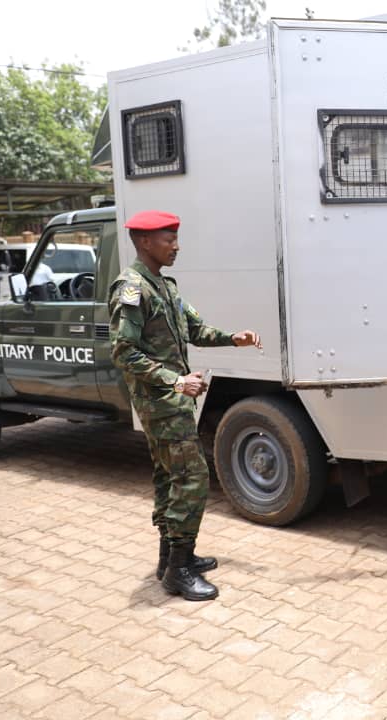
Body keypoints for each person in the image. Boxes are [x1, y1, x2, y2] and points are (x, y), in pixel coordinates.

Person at [109, 210, 261, 602]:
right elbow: (124, 352)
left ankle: (173, 558)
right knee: (192, 479)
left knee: (169, 477)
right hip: (160, 401)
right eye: (168, 238)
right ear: (144, 241)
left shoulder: (165, 286)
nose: (176, 246)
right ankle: (178, 571)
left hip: (175, 401)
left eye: (176, 237)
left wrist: (233, 338)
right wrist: (175, 380)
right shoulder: (132, 288)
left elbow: (194, 329)